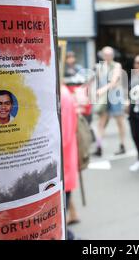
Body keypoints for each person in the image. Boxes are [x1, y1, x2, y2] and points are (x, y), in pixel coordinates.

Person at [94, 46, 127, 157]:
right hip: (104, 98)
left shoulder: (117, 66)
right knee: (101, 123)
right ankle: (99, 147)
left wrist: (102, 90)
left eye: (110, 54)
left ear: (113, 55)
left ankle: (122, 145)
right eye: (106, 54)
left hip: (115, 97)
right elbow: (97, 83)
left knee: (119, 122)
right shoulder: (99, 67)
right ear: (102, 55)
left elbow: (114, 81)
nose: (108, 56)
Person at [60, 84, 79, 239]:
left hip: (63, 160)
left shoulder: (62, 94)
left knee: (63, 199)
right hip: (65, 159)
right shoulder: (63, 92)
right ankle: (73, 214)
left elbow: (64, 135)